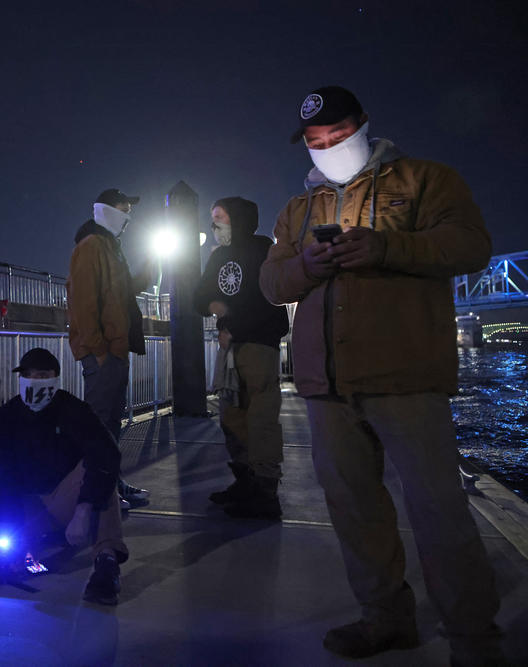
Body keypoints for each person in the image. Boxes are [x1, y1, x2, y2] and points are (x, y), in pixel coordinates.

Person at [259, 85, 504, 665]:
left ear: (364, 124)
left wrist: (385, 247)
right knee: (353, 510)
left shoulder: (427, 179)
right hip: (326, 387)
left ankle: (474, 640)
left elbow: (470, 246)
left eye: (338, 136)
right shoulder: (297, 211)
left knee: (439, 511)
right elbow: (271, 284)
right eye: (316, 142)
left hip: (407, 377)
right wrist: (304, 265)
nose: (327, 148)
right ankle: (385, 618)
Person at [0, 348, 128, 605]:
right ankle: (8, 558)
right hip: (31, 504)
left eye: (42, 375)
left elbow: (107, 455)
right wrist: (14, 531)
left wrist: (83, 510)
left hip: (65, 499)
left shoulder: (73, 409)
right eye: (28, 375)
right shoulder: (8, 416)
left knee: (99, 470)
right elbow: (4, 475)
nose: (34, 381)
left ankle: (106, 562)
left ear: (55, 378)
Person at [194, 196, 289, 519]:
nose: (215, 225)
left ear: (239, 220)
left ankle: (265, 490)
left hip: (258, 345)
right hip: (230, 348)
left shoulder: (264, 251)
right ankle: (244, 480)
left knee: (261, 417)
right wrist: (215, 308)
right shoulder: (218, 256)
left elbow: (269, 303)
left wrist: (234, 324)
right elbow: (200, 296)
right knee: (230, 415)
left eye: (220, 218)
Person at [67, 188, 152, 509]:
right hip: (105, 353)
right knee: (101, 425)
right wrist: (99, 351)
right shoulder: (92, 247)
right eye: (125, 208)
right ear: (107, 210)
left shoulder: (107, 246)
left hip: (114, 350)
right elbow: (84, 304)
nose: (129, 216)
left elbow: (123, 292)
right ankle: (98, 492)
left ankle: (111, 482)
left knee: (110, 424)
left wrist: (148, 268)